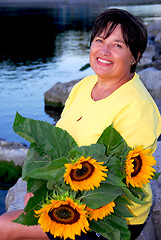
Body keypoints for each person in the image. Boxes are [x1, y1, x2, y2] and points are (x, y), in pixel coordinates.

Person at [0, 8, 161, 240]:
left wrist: (49, 202)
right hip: (70, 197)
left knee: (4, 228)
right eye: (99, 40)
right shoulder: (84, 86)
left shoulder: (137, 106)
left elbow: (116, 185)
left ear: (134, 56)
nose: (103, 50)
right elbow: (54, 144)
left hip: (108, 218)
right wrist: (39, 190)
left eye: (117, 45)